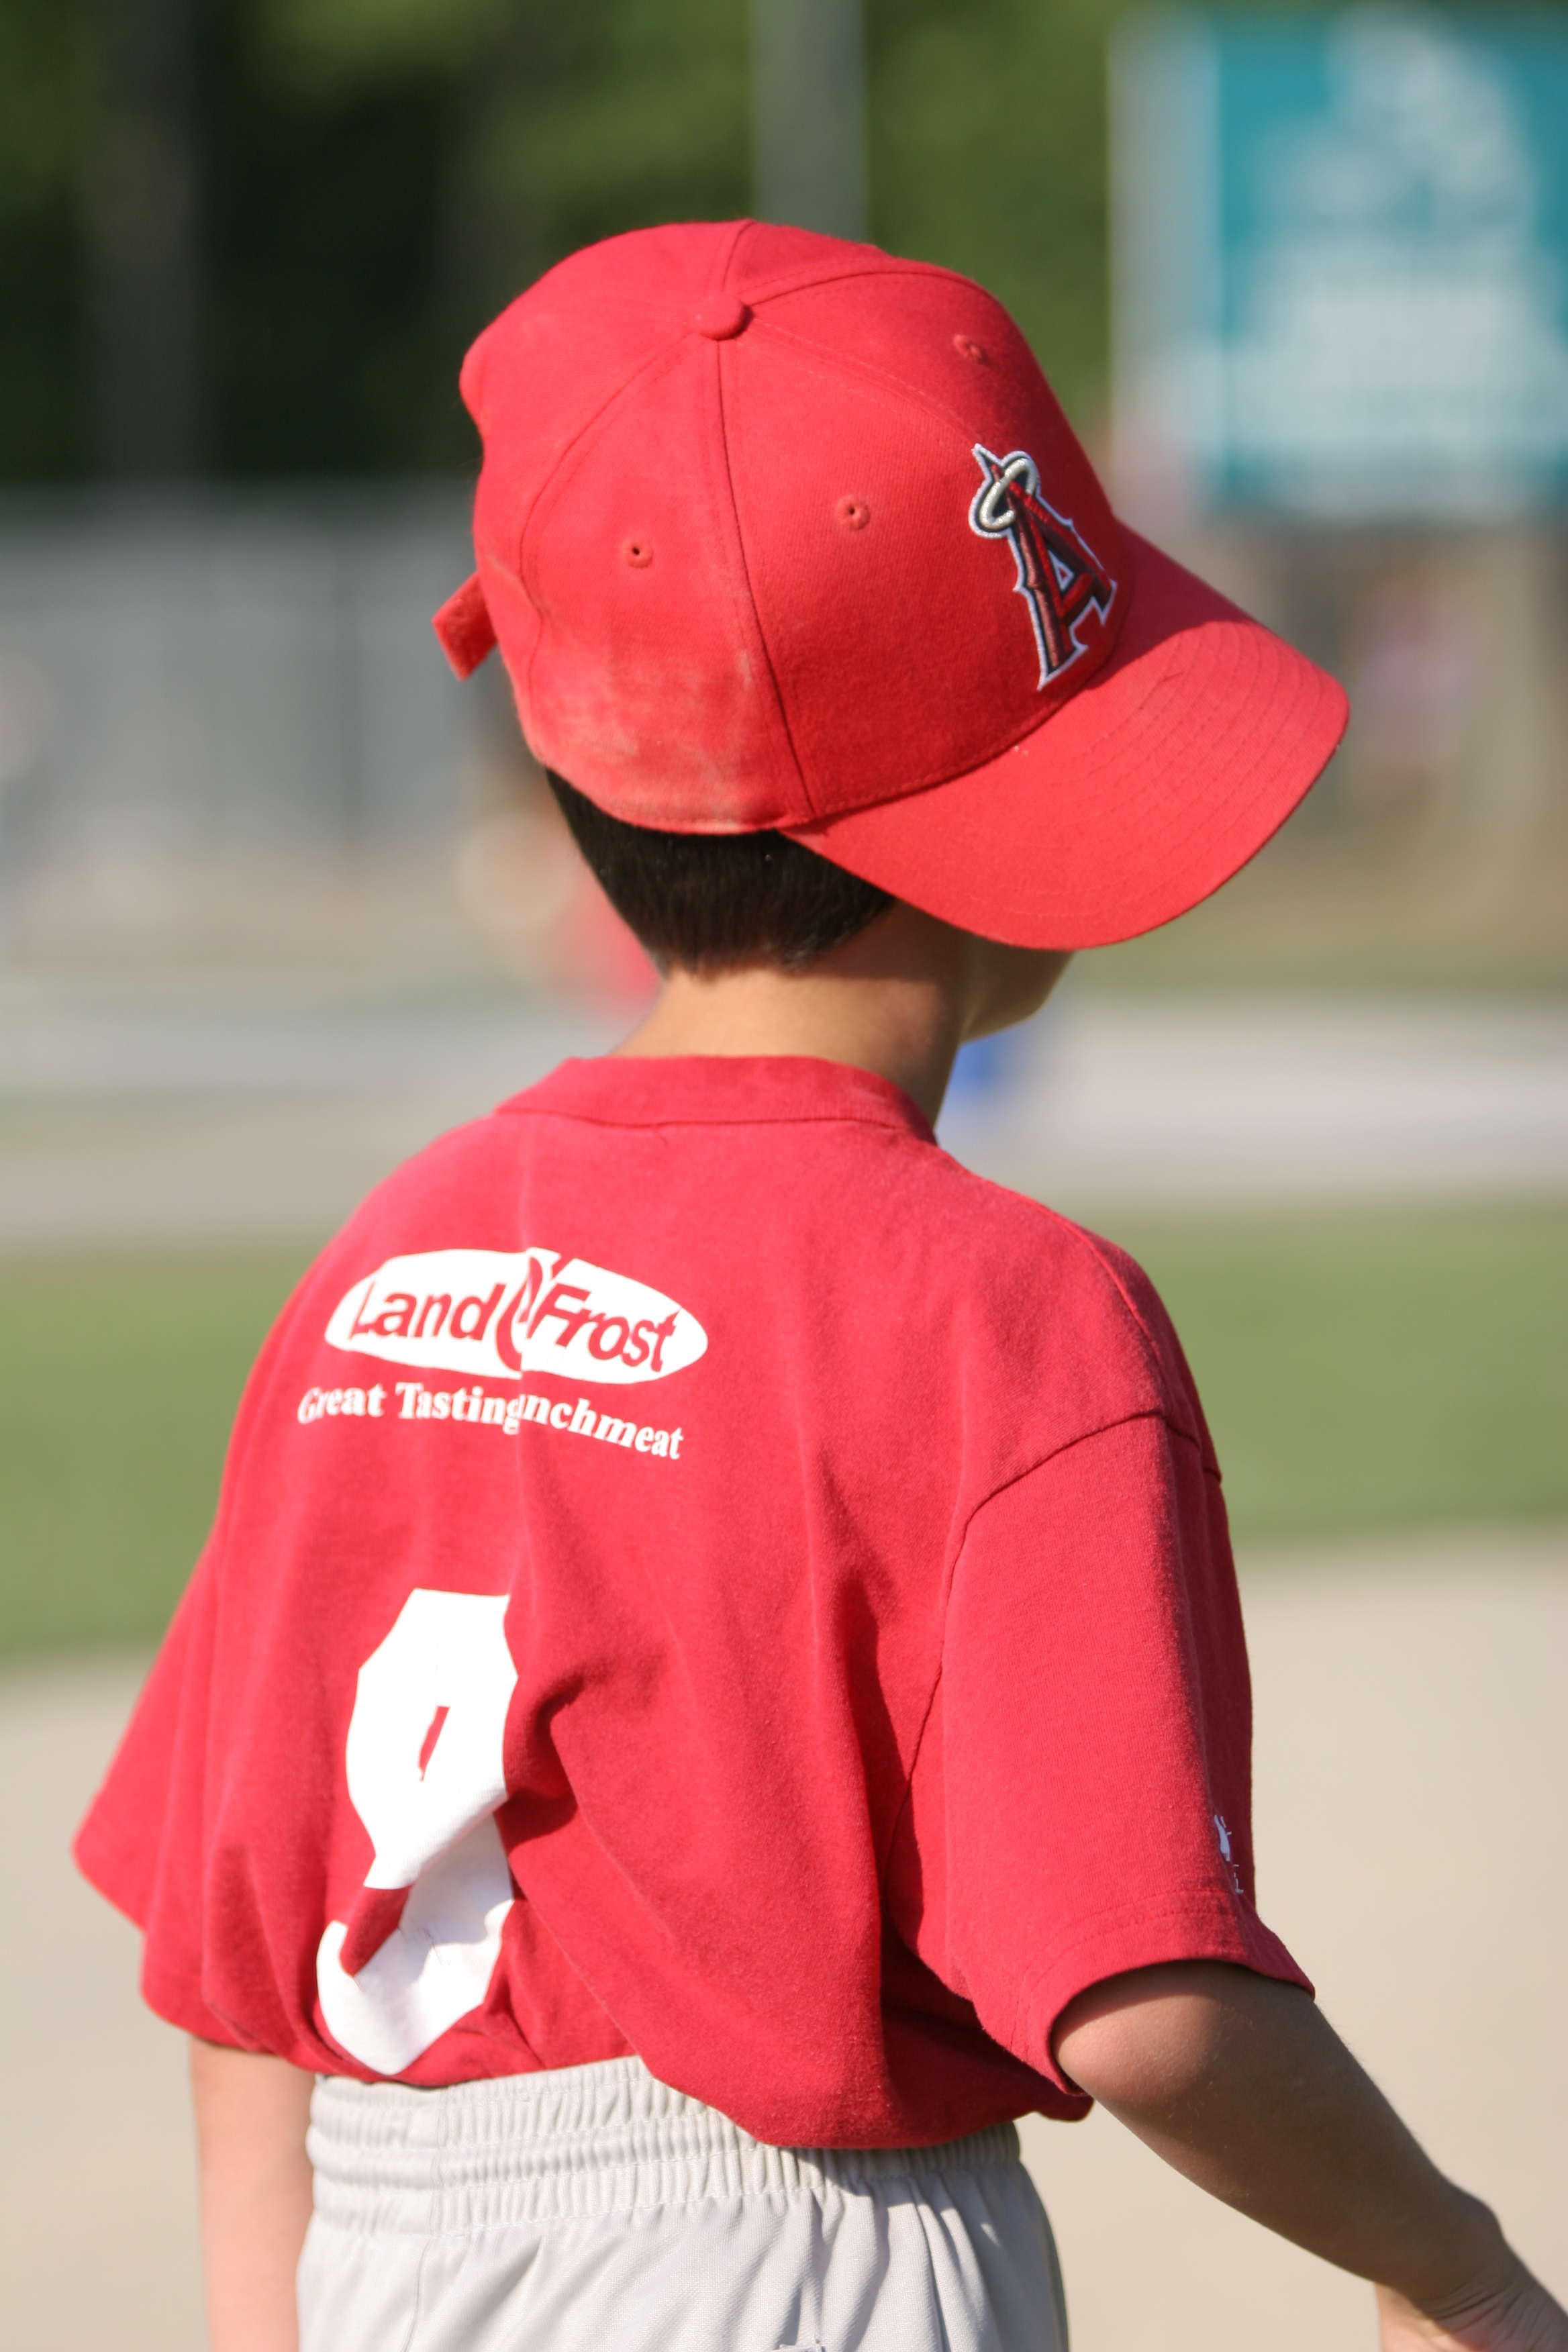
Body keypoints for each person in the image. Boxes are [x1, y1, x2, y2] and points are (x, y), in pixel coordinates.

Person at [76, 222, 1565, 2352]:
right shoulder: (1006, 1308)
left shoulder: (382, 1259)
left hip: (395, 2250)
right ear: (1008, 837)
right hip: (801, 2260)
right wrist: (1458, 2268)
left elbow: (242, 1976)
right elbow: (1145, 2006)